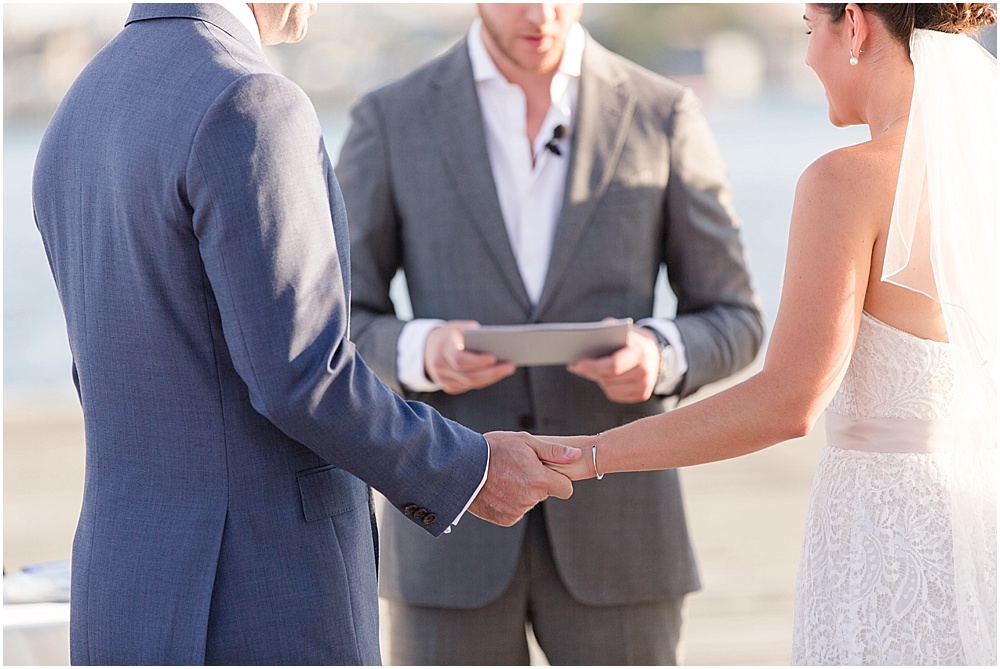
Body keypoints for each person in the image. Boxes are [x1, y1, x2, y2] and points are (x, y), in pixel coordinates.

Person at [30, 3, 583, 665]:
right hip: (261, 598)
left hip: (122, 595)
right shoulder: (249, 102)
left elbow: (105, 371)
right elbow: (301, 373)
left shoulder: (79, 107)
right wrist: (467, 468)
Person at [546, 3, 997, 665]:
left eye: (810, 30)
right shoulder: (985, 178)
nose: (810, 55)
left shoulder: (844, 180)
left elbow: (789, 401)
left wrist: (590, 454)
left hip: (887, 534)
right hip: (976, 521)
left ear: (856, 25)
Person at [335, 3, 763, 664]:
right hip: (448, 533)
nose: (540, 12)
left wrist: (660, 353)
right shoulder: (389, 117)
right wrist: (421, 351)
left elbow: (735, 315)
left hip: (623, 538)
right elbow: (338, 319)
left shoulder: (664, 111)